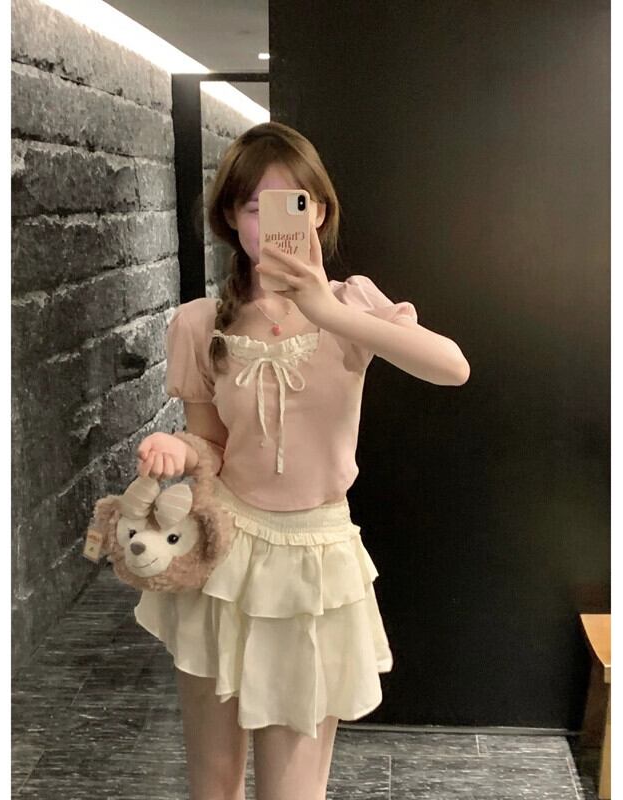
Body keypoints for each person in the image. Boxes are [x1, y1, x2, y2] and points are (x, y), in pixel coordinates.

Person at [133, 121, 470, 800]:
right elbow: (212, 446)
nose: (272, 222)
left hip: (315, 562)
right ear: (232, 218)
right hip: (223, 553)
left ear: (318, 211)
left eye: (292, 203)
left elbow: (452, 367)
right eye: (253, 206)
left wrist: (325, 308)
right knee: (213, 783)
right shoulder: (202, 323)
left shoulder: (354, 304)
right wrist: (179, 450)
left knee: (294, 789)